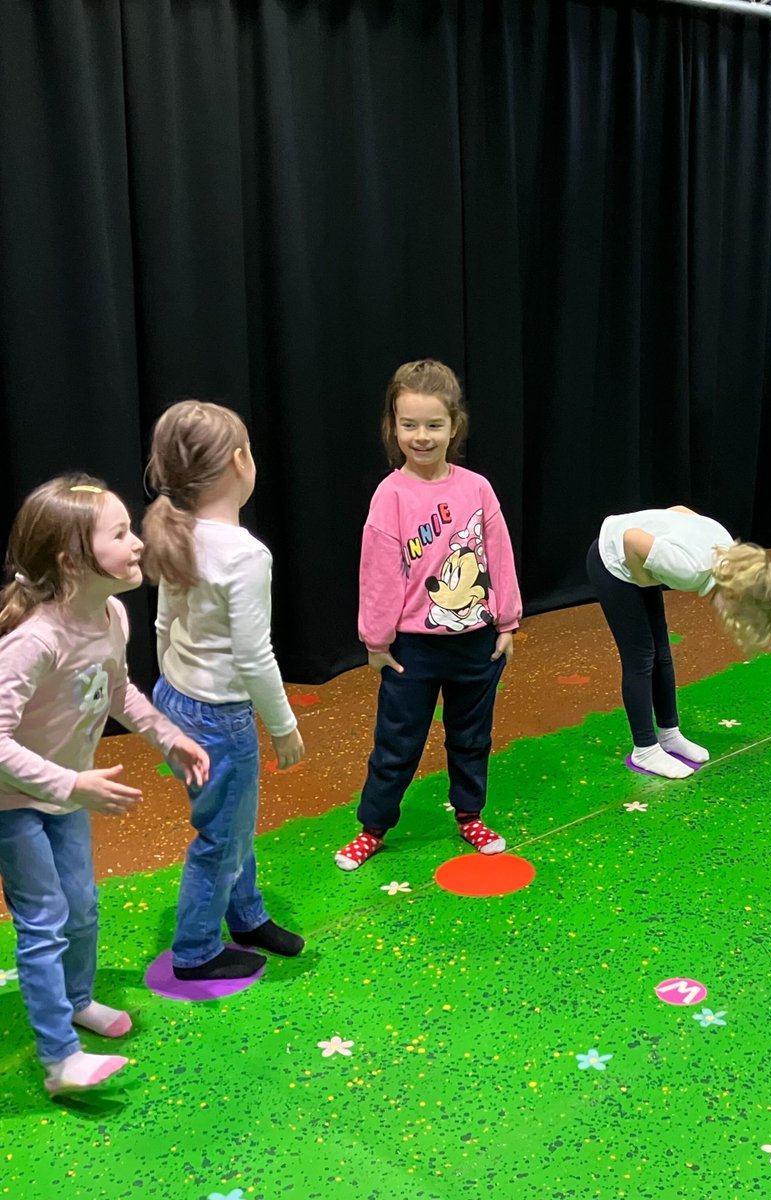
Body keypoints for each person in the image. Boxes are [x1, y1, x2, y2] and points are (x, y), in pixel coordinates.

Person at [0, 476, 209, 1091]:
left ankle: (77, 1000)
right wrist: (71, 784)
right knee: (44, 920)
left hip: (66, 792)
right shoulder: (34, 640)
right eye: (119, 534)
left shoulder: (112, 614)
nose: (137, 542)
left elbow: (116, 691)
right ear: (71, 560)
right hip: (14, 801)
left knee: (82, 906)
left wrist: (167, 736)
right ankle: (59, 1059)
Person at [335, 360, 521, 871]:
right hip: (412, 650)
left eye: (434, 424)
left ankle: (470, 815)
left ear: (454, 425)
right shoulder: (390, 494)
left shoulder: (477, 488)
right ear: (393, 427)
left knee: (472, 737)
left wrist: (507, 621)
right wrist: (376, 641)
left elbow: (499, 555)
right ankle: (373, 828)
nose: (421, 436)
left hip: (475, 644)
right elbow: (378, 573)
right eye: (409, 424)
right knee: (396, 743)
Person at [142, 401, 305, 982]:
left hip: (176, 700)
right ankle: (196, 951)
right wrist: (284, 726)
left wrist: (175, 686)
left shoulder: (179, 531)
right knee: (221, 836)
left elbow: (164, 623)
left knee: (232, 823)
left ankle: (247, 916)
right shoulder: (245, 554)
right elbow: (254, 656)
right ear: (241, 462)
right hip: (219, 717)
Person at [586, 507, 771, 778]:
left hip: (635, 559)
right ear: (734, 595)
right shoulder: (690, 570)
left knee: (661, 652)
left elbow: (680, 511)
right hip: (610, 562)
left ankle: (669, 734)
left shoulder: (724, 547)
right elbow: (631, 538)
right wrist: (644, 580)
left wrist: (657, 550)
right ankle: (645, 749)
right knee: (640, 658)